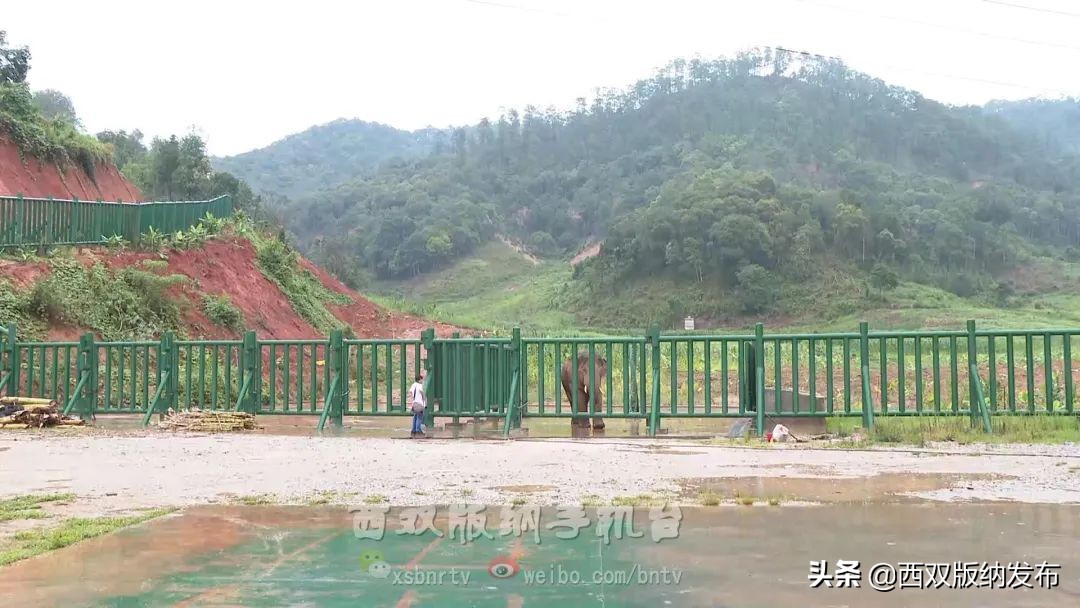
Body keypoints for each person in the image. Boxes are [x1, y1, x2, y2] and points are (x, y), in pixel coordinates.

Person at [409, 372, 426, 438]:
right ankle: (418, 431)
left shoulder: (413, 385)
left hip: (414, 403)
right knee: (419, 417)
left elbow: (410, 392)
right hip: (419, 403)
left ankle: (413, 431)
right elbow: (422, 394)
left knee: (415, 417)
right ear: (419, 380)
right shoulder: (420, 386)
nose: (422, 381)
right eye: (422, 380)